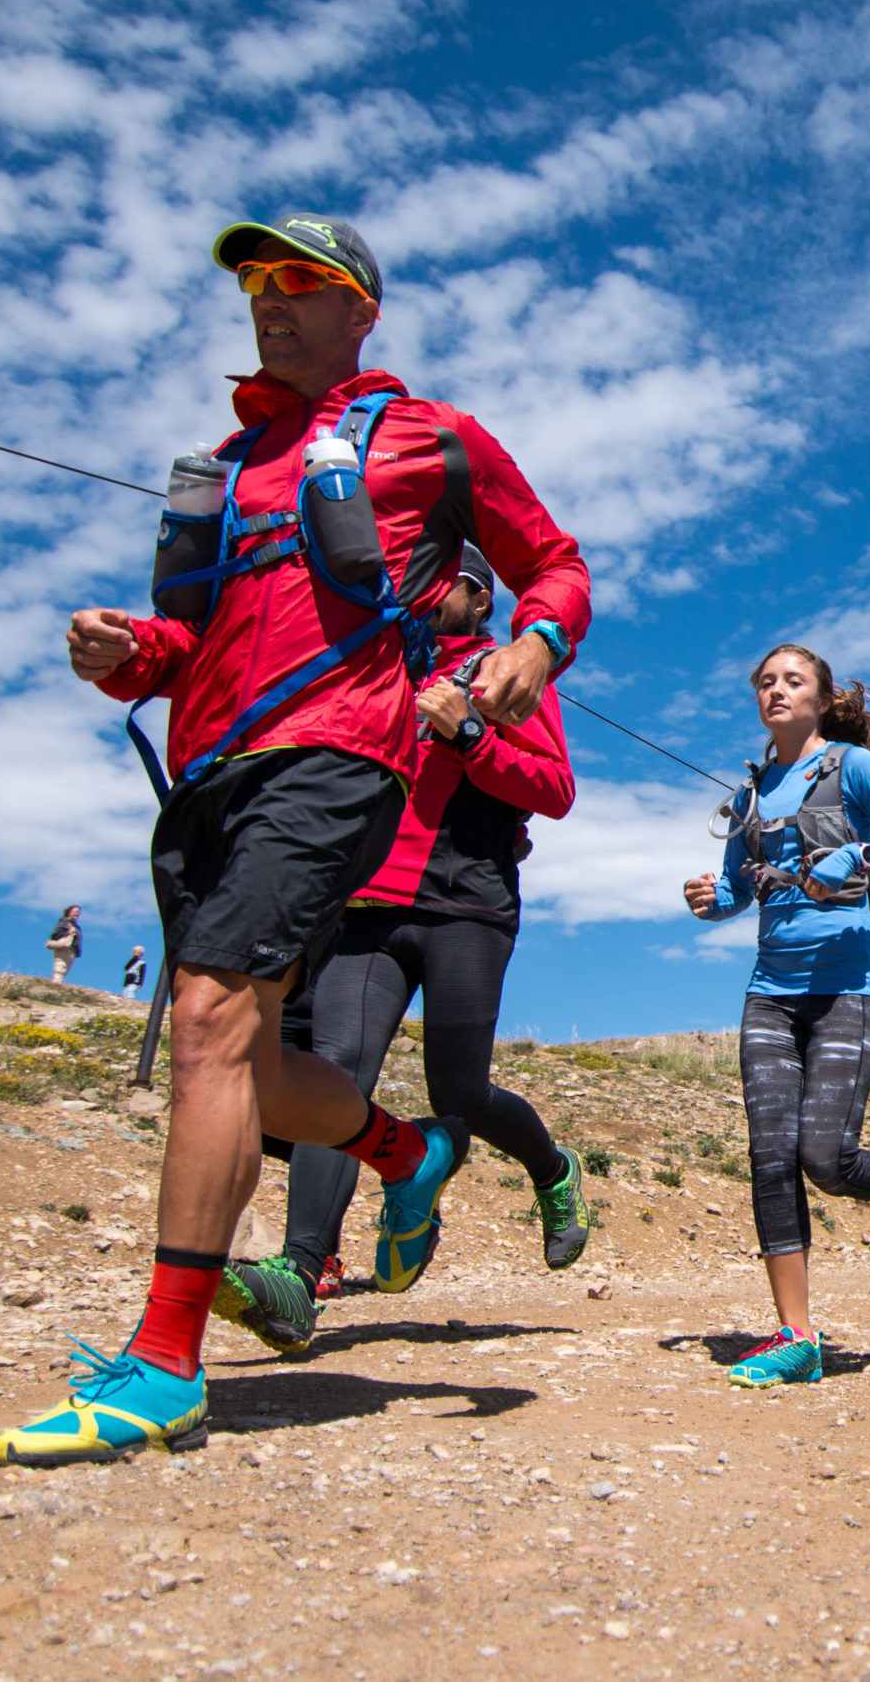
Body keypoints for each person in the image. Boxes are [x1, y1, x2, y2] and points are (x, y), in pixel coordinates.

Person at [0, 211, 590, 1468]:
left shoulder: (431, 436)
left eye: (300, 279)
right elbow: (196, 639)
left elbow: (555, 564)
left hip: (342, 754)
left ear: (360, 306)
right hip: (213, 767)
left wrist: (531, 652)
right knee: (249, 1052)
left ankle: (162, 1363)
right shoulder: (227, 463)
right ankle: (405, 1149)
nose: (270, 297)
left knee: (210, 1018)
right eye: (256, 280)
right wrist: (130, 655)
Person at [210, 544, 587, 1356]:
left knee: (462, 1089)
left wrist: (470, 734)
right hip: (369, 905)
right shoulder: (381, 666)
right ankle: (299, 1271)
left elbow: (554, 790)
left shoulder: (507, 671)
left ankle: (552, 1169)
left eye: (433, 577)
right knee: (336, 1070)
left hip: (468, 906)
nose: (411, 587)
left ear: (477, 598)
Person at [684, 645, 870, 1389]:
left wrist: (860, 855)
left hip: (848, 989)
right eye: (764, 681)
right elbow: (744, 889)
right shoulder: (750, 791)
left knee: (825, 1157)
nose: (775, 689)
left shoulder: (852, 769)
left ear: (821, 696)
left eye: (791, 680)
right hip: (769, 990)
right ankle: (797, 1334)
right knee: (771, 1155)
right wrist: (716, 898)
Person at [46, 906, 83, 984]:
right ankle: (55, 985)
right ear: (69, 912)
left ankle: (56, 984)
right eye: (75, 911)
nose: (77, 913)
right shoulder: (64, 921)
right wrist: (68, 933)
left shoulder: (76, 926)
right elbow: (55, 934)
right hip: (64, 948)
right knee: (60, 968)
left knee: (64, 970)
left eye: (78, 912)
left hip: (71, 950)